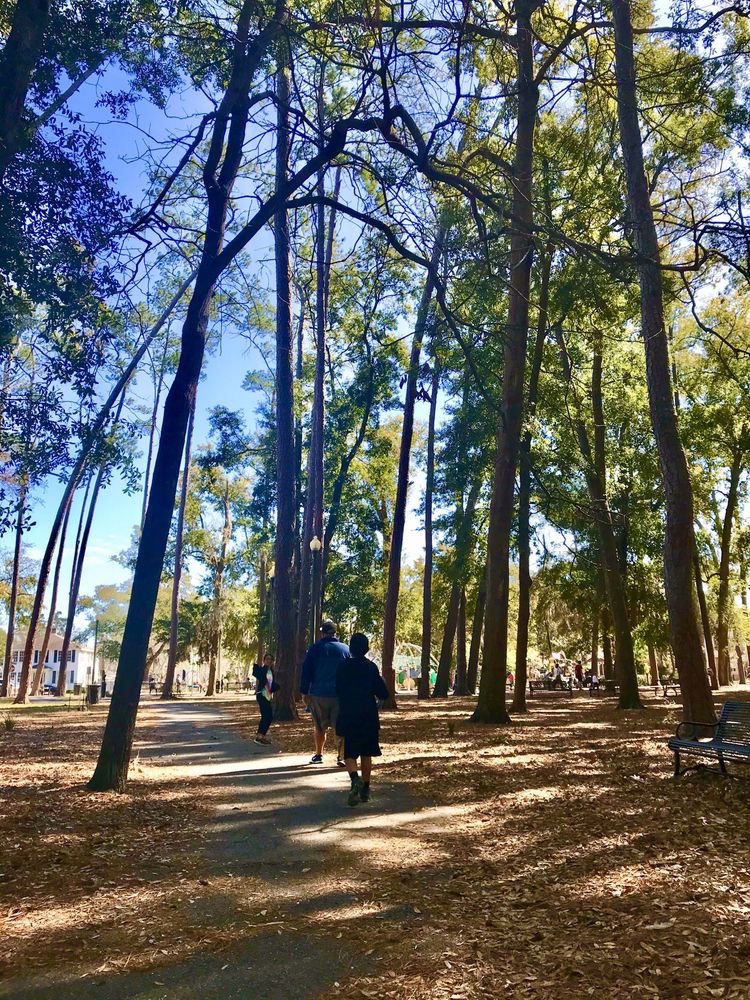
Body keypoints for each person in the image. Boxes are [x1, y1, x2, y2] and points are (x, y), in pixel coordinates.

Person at [336, 633, 389, 806]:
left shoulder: (343, 667)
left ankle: (354, 779)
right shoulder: (371, 667)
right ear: (366, 649)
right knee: (367, 753)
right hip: (368, 715)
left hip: (348, 713)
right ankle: (366, 789)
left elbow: (337, 689)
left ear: (350, 648)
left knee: (349, 753)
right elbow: (383, 693)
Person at [300, 620, 350, 764]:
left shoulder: (314, 649)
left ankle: (318, 754)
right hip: (339, 695)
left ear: (322, 633)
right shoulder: (345, 649)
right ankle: (341, 756)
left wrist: (304, 692)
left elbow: (306, 671)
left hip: (318, 694)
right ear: (335, 633)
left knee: (319, 727)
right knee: (340, 727)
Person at [252, 653, 278, 745]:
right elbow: (257, 674)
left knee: (268, 716)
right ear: (264, 660)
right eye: (267, 659)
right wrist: (256, 665)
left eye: (271, 660)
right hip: (261, 695)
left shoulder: (271, 671)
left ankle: (261, 736)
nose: (269, 661)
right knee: (267, 716)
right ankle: (259, 737)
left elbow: (270, 685)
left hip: (267, 696)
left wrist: (276, 687)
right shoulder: (264, 670)